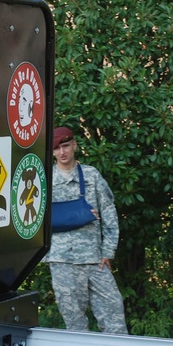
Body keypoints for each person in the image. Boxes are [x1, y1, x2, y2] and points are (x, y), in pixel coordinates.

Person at [45, 127, 128, 334]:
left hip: (94, 259)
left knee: (114, 315)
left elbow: (109, 213)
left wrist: (108, 251)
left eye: (65, 146)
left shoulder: (91, 176)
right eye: (56, 148)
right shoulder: (44, 178)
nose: (62, 152)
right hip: (61, 260)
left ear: (74, 145)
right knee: (75, 325)